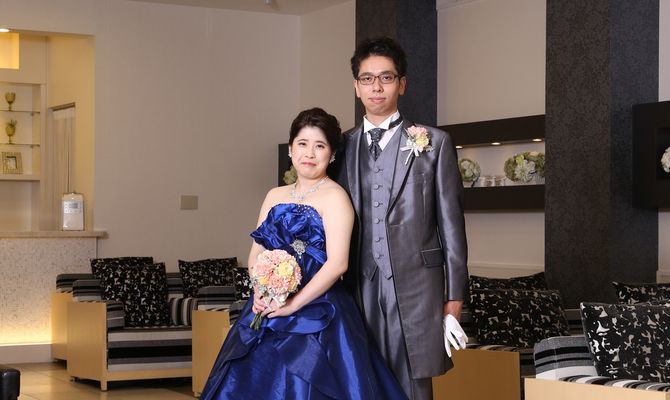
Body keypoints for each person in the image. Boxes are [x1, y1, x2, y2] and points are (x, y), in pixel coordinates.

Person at [200, 107, 407, 400]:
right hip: (270, 303)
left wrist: (293, 304)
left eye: (320, 146)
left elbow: (338, 264)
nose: (309, 153)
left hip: (319, 307)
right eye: (302, 143)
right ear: (290, 149)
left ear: (331, 155)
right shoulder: (274, 195)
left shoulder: (336, 197)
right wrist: (261, 291)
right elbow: (256, 254)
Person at [335, 37, 469, 400]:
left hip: (418, 286)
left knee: (413, 386)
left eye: (386, 77)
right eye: (367, 79)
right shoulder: (341, 148)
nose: (376, 87)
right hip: (357, 284)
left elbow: (452, 227)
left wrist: (454, 299)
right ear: (356, 86)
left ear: (402, 83)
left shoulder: (435, 143)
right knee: (359, 379)